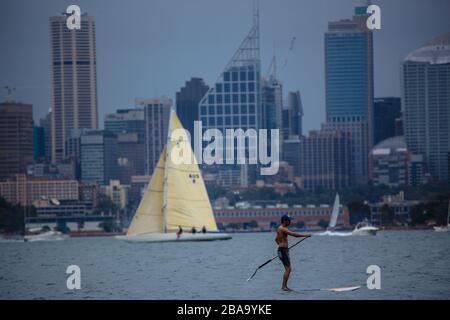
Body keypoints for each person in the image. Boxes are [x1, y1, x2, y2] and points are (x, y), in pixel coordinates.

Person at [275, 214, 311, 291]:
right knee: (288, 269)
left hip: (282, 250)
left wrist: (281, 245)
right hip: (283, 250)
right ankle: (284, 287)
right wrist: (305, 235)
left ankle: (284, 286)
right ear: (285, 220)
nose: (290, 222)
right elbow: (294, 234)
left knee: (288, 268)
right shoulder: (283, 228)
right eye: (289, 220)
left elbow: (276, 239)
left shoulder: (279, 228)